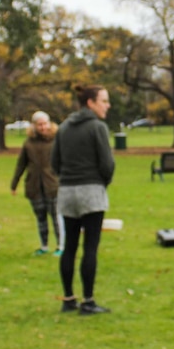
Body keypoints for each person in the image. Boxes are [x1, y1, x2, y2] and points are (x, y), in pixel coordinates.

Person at [52, 85, 115, 315]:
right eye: (104, 100)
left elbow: (54, 162)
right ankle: (88, 301)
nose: (107, 105)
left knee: (69, 246)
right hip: (91, 191)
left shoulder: (63, 127)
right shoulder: (98, 127)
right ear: (90, 102)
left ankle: (68, 298)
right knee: (90, 247)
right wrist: (101, 182)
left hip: (67, 192)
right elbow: (107, 163)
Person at [11, 111, 63, 256]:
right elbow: (21, 164)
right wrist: (14, 183)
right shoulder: (28, 143)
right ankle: (44, 246)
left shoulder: (57, 140)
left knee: (56, 216)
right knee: (41, 217)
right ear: (34, 126)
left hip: (53, 185)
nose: (42, 127)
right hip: (34, 185)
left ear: (49, 123)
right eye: (39, 124)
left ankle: (60, 246)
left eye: (45, 123)